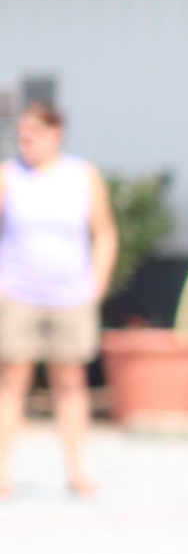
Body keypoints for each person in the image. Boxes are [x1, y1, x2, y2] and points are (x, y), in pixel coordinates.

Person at [0, 100, 117, 499]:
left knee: (70, 379)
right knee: (13, 377)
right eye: (21, 136)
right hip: (17, 291)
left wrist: (95, 284)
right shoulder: (8, 176)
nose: (25, 142)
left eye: (33, 135)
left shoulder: (82, 176)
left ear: (55, 135)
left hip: (69, 294)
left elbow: (104, 232)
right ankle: (2, 471)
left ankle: (77, 470)